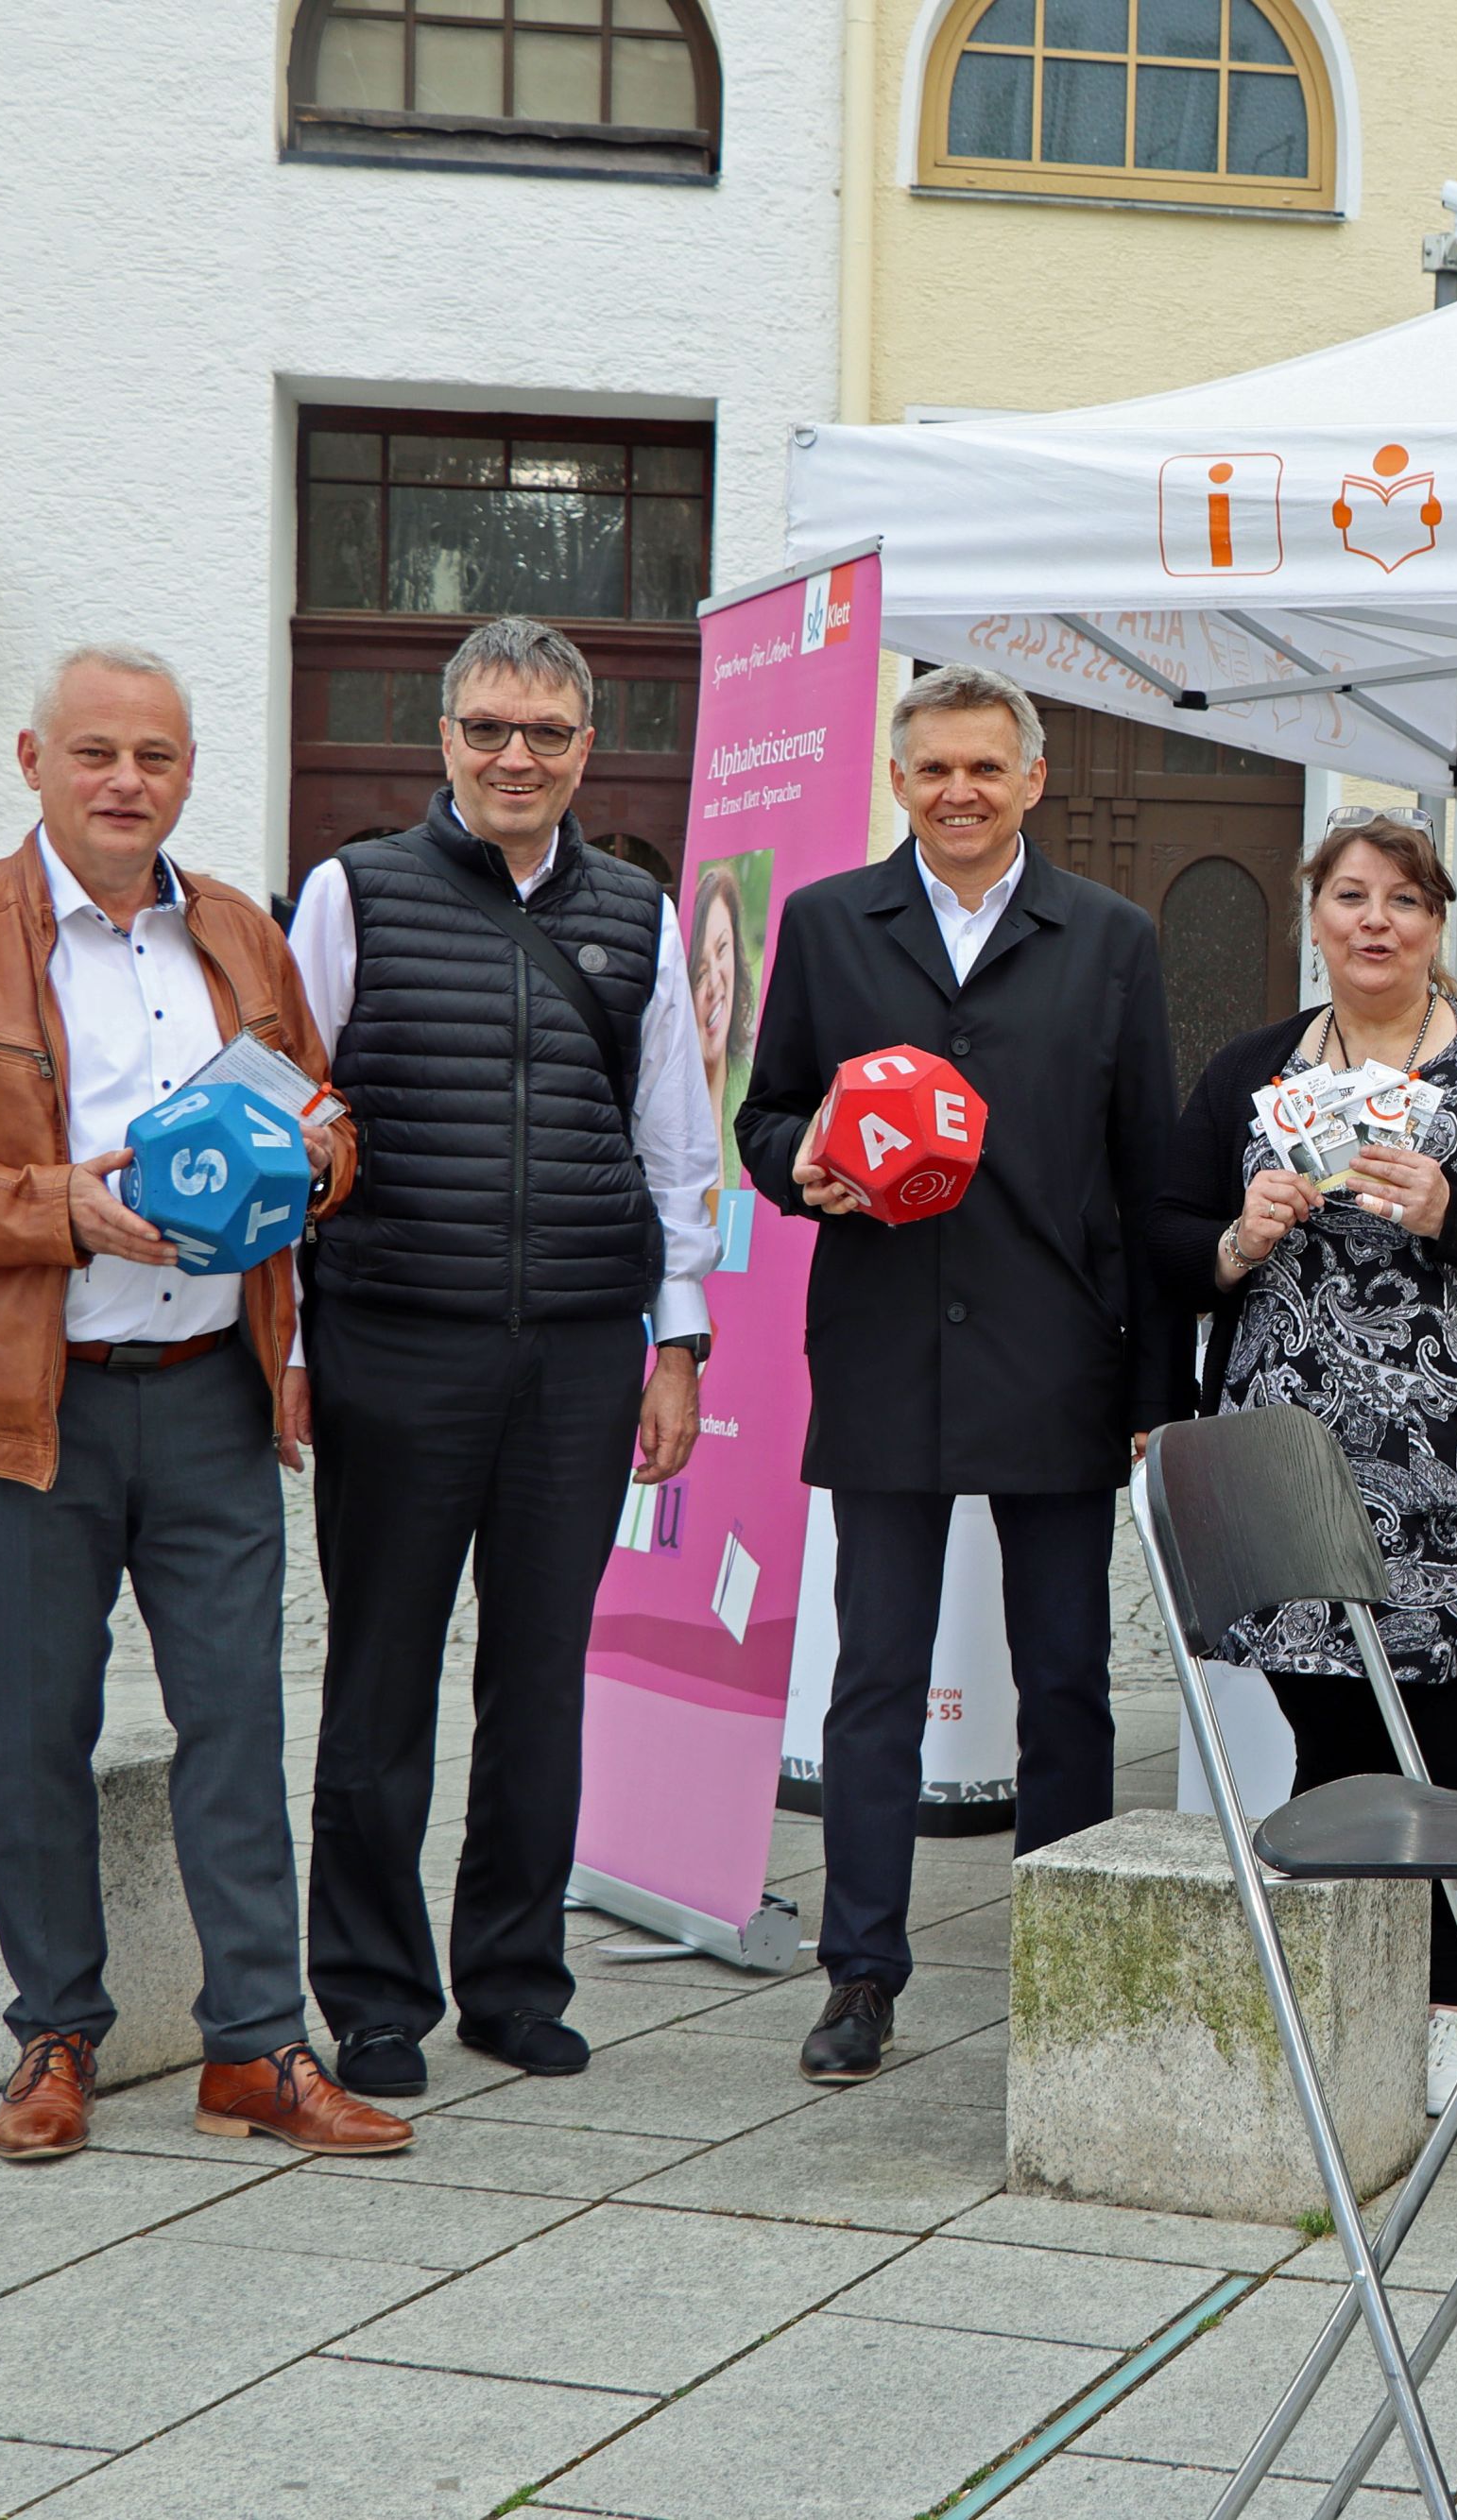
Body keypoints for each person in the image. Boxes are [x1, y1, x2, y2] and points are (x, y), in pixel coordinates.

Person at [0, 645, 409, 2162]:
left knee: (235, 1725)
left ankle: (259, 2046)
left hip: (210, 1389)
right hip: (24, 1403)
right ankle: (55, 2033)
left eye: (154, 754)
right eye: (95, 752)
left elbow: (315, 1104)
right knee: (35, 1727)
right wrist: (55, 1205)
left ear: (188, 771)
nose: (125, 779)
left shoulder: (239, 936)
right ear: (32, 757)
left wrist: (321, 1153)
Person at [284, 615, 722, 2099]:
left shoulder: (640, 918)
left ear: (587, 749)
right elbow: (293, 1137)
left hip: (577, 1361)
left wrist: (678, 1345)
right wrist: (286, 1341)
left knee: (540, 1681)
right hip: (395, 1343)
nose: (515, 755)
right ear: (446, 739)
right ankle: (375, 1994)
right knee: (381, 1677)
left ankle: (515, 1979)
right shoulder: (353, 894)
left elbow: (676, 1153)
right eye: (487, 729)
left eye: (544, 732)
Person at [736, 664, 1180, 2084]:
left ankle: (1070, 1965)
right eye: (933, 768)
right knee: (875, 1679)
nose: (960, 792)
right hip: (884, 1354)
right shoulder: (825, 924)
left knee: (1068, 1680)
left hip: (1058, 1354)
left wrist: (1151, 1384)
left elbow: (1144, 1171)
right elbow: (768, 1114)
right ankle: (860, 1973)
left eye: (986, 767)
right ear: (898, 779)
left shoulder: (1110, 937)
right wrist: (799, 1168)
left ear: (1033, 779)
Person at [1147, 813, 1457, 2117]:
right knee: (1331, 1737)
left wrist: (1453, 1209)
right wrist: (1238, 1237)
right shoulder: (1251, 1069)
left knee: (1454, 1746)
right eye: (1351, 896)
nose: (1375, 920)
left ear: (1437, 921)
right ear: (1315, 915)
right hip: (1291, 1462)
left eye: (1404, 900)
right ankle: (1345, 1997)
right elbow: (1166, 1236)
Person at [689, 862, 758, 1148]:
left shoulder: (759, 1096)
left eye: (722, 949)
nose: (715, 982)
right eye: (701, 972)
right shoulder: (668, 1101)